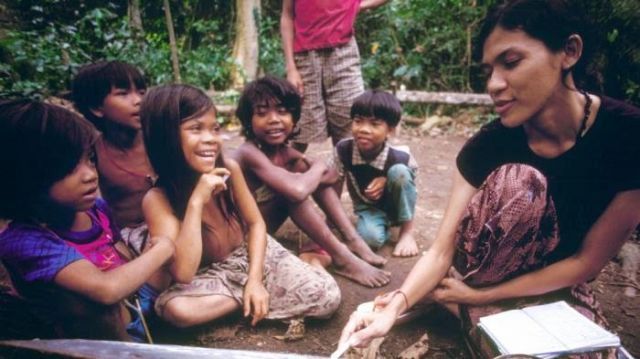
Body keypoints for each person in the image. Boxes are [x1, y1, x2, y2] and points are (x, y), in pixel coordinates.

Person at [337, 0, 640, 356]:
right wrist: (392, 309)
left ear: (569, 52)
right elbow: (440, 251)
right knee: (519, 180)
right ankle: (449, 299)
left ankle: (455, 303)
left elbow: (586, 263)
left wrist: (478, 298)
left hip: (556, 286)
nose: (494, 85)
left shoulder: (628, 135)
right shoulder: (487, 148)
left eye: (511, 63)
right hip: (482, 274)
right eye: (488, 71)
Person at [140, 84, 341, 329]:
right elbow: (183, 272)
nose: (210, 139)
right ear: (166, 136)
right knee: (177, 310)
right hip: (213, 275)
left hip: (252, 256)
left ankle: (311, 261)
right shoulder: (158, 199)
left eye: (215, 129)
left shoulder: (229, 169)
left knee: (326, 298)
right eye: (195, 129)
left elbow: (256, 225)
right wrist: (196, 202)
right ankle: (251, 297)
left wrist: (255, 280)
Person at [0, 100, 174, 341]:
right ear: (23, 176)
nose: (90, 175)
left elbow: (118, 251)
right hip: (94, 339)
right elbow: (106, 290)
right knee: (94, 305)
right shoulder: (26, 241)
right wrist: (162, 249)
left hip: (130, 306)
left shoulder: (95, 210)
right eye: (70, 167)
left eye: (90, 159)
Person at [230, 76, 391, 288]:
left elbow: (332, 176)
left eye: (282, 111)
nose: (274, 119)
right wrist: (316, 168)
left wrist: (310, 171)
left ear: (294, 118)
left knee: (301, 175)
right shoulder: (248, 152)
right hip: (237, 239)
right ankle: (342, 257)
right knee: (294, 189)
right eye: (262, 113)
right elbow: (298, 190)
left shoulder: (285, 153)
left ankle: (352, 239)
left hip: (261, 229)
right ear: (248, 120)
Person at [280, 0, 388, 153]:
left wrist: (358, 5)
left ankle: (349, 173)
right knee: (301, 123)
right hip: (304, 57)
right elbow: (287, 16)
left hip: (343, 52)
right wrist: (291, 68)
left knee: (349, 119)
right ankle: (284, 173)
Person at [71, 61, 154, 256]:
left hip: (173, 225)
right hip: (130, 238)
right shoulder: (93, 154)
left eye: (141, 92)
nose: (138, 101)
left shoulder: (160, 139)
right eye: (123, 93)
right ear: (96, 107)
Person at [333, 90, 419, 257]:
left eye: (375, 124)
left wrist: (387, 178)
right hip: (368, 207)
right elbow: (334, 183)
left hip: (395, 204)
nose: (364, 129)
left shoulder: (401, 156)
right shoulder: (343, 150)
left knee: (400, 172)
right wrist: (330, 224)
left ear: (390, 131)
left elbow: (411, 181)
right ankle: (381, 225)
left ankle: (406, 232)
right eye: (358, 121)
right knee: (369, 241)